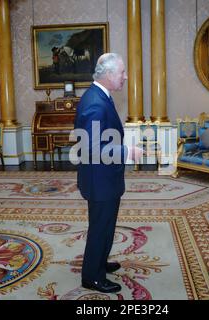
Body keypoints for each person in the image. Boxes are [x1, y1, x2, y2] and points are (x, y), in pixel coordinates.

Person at [73, 53, 143, 293]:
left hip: (103, 177)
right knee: (100, 227)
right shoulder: (94, 102)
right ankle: (92, 276)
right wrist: (127, 151)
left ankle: (100, 263)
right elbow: (93, 148)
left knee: (105, 225)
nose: (125, 77)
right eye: (122, 72)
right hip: (100, 179)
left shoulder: (101, 96)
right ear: (108, 74)